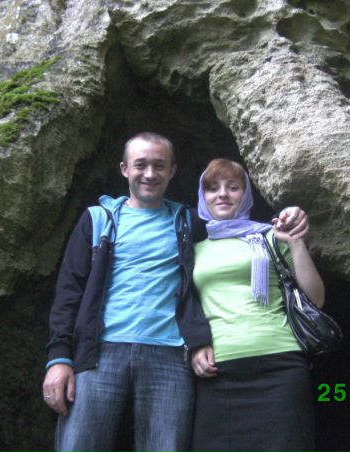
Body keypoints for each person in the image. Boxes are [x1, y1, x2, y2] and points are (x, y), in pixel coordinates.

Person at [42, 132, 307, 452]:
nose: (149, 174)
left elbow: (233, 223)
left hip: (170, 356)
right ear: (125, 169)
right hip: (99, 353)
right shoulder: (98, 220)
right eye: (141, 165)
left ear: (172, 171)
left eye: (159, 165)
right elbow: (68, 292)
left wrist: (291, 213)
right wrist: (59, 358)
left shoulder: (189, 223)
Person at [190, 158, 324, 452]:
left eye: (233, 187)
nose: (222, 194)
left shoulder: (272, 237)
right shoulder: (193, 250)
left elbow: (315, 299)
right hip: (219, 370)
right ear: (202, 196)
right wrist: (195, 346)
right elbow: (186, 307)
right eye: (213, 188)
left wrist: (295, 243)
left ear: (246, 194)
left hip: (280, 364)